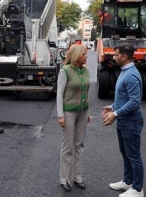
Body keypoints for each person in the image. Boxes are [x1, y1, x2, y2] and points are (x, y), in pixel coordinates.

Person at [102, 43, 144, 197]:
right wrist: (113, 107)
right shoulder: (125, 71)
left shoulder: (131, 75)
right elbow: (124, 97)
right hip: (123, 120)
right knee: (125, 153)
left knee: (134, 155)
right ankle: (128, 182)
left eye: (116, 55)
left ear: (124, 57)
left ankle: (138, 189)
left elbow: (134, 101)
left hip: (131, 122)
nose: (114, 57)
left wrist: (116, 114)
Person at [57, 44, 90, 192]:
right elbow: (59, 94)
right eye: (84, 54)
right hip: (69, 112)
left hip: (82, 112)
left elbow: (87, 93)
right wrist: (60, 115)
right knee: (67, 147)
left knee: (79, 145)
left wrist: (88, 112)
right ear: (76, 56)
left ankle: (78, 177)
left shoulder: (86, 71)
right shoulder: (65, 71)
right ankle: (64, 179)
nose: (86, 56)